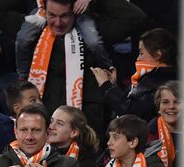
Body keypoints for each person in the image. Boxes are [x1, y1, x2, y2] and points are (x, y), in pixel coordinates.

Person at [17, 0, 146, 135]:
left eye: (65, 16)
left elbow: (136, 16)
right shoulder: (33, 35)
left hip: (88, 124)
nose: (58, 23)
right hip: (46, 124)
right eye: (52, 15)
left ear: (76, 11)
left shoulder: (96, 31)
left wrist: (92, 1)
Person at [91, 28, 178, 122]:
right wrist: (114, 86)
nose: (138, 58)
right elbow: (126, 105)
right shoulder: (146, 79)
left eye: (141, 53)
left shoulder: (163, 84)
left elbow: (132, 114)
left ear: (157, 55)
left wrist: (107, 87)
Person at [146, 80, 182, 167]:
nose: (171, 107)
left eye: (177, 102)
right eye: (165, 102)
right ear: (158, 107)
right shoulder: (147, 136)